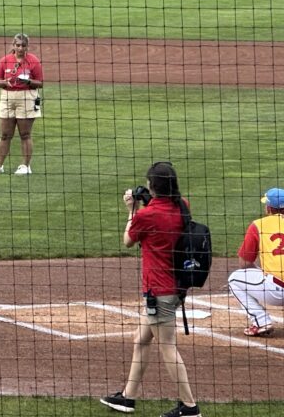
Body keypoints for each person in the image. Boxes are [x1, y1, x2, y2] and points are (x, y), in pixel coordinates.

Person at [100, 162, 201, 417]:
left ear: (152, 186)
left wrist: (132, 210)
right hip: (176, 286)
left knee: (167, 345)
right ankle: (128, 397)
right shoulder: (182, 206)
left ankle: (190, 407)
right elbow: (163, 216)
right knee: (142, 339)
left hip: (159, 291)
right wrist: (147, 203)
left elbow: (127, 242)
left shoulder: (146, 215)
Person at [227, 187, 284, 337]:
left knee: (234, 279)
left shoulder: (258, 225)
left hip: (274, 293)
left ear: (269, 208)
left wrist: (261, 272)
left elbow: (244, 263)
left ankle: (261, 321)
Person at [0, 33, 43, 175]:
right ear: (13, 45)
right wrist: (5, 82)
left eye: (23, 45)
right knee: (5, 134)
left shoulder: (33, 61)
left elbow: (40, 82)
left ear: (27, 46)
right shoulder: (5, 60)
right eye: (17, 45)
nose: (20, 48)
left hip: (28, 97)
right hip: (7, 97)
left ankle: (25, 166)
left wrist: (28, 81)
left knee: (25, 134)